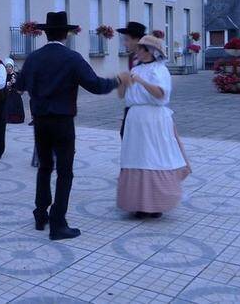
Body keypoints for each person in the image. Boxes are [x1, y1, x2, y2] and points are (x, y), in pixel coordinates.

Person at [17, 12, 130, 241]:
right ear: (66, 34)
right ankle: (58, 223)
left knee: (44, 167)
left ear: (45, 33)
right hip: (62, 121)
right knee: (65, 172)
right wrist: (117, 80)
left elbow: (19, 85)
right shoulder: (72, 58)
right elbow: (96, 85)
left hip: (40, 120)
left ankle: (40, 214)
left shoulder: (33, 58)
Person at [117, 35, 191, 218]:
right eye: (139, 49)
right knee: (136, 156)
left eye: (142, 49)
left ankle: (156, 204)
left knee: (153, 156)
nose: (139, 52)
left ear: (151, 52)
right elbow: (122, 96)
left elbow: (160, 94)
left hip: (153, 118)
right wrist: (122, 82)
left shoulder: (160, 70)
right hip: (135, 118)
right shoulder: (136, 69)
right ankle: (138, 203)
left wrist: (141, 81)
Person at [116, 22, 147, 139]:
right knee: (125, 135)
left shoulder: (149, 59)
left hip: (144, 107)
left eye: (127, 40)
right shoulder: (131, 57)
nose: (125, 43)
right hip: (131, 106)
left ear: (137, 40)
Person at [3, 58, 25, 124]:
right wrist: (7, 85)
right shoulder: (4, 76)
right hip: (7, 95)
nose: (8, 68)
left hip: (15, 96)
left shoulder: (17, 75)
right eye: (6, 67)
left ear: (12, 67)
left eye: (9, 67)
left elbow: (21, 88)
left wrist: (16, 82)